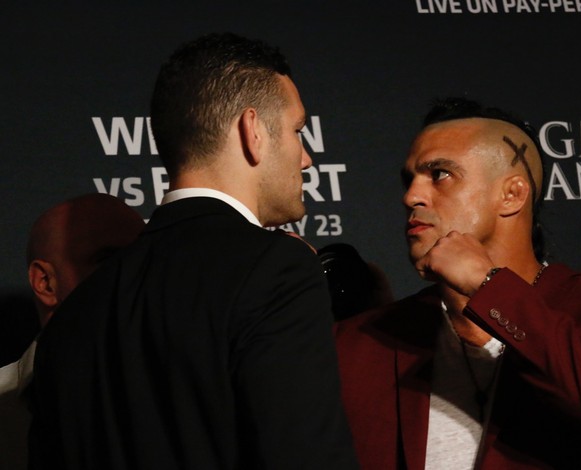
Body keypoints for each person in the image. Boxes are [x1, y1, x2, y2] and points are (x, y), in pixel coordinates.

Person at [29, 32, 357, 470]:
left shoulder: (75, 313)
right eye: (298, 131)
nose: (307, 159)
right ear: (252, 130)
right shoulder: (278, 269)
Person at [334, 97, 581, 469]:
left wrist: (488, 286)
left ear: (512, 194)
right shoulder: (363, 341)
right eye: (409, 180)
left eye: (439, 174)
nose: (411, 197)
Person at [0, 193, 145, 470]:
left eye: (143, 261)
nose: (134, 276)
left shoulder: (185, 401)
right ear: (45, 283)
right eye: (110, 262)